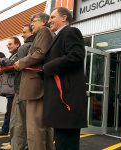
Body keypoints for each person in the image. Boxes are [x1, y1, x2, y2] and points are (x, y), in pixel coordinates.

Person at [43, 7, 88, 150]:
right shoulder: (57, 36)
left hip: (67, 98)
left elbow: (76, 55)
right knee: (62, 142)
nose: (49, 21)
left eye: (52, 17)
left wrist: (48, 67)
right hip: (59, 100)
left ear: (64, 18)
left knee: (67, 143)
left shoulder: (71, 31)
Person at [14, 13, 54, 150]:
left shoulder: (44, 31)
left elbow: (40, 53)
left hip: (35, 87)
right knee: (43, 127)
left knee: (35, 129)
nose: (31, 23)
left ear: (43, 22)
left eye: (34, 21)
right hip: (38, 86)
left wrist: (22, 62)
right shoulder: (46, 33)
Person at [0, 37, 21, 137]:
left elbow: (12, 68)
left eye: (10, 44)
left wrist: (0, 60)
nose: (8, 46)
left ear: (17, 44)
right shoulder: (12, 56)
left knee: (12, 113)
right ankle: (5, 130)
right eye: (7, 44)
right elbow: (9, 70)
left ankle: (12, 136)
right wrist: (1, 73)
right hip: (10, 89)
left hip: (14, 89)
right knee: (9, 112)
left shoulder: (18, 55)